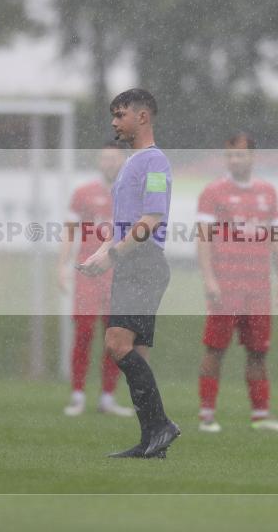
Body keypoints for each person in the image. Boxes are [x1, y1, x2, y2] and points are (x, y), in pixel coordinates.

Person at [79, 88, 180, 459]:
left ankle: (161, 426)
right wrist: (101, 252)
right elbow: (122, 225)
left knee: (116, 346)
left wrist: (116, 256)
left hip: (144, 263)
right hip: (135, 262)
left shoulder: (155, 163)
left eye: (120, 115)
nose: (113, 122)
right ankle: (152, 441)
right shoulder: (130, 165)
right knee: (132, 350)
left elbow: (152, 220)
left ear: (142, 117)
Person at [195, 133, 278, 433]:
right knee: (216, 349)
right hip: (226, 286)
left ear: (253, 157)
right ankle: (207, 415)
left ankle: (261, 416)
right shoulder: (213, 192)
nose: (235, 160)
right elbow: (203, 239)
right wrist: (209, 278)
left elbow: (277, 237)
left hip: (258, 287)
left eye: (241, 155)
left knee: (258, 351)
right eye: (230, 155)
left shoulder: (267, 192)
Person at [57, 142, 133, 417]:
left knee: (114, 339)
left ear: (123, 161)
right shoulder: (83, 193)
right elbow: (69, 231)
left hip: (119, 276)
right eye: (105, 158)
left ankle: (107, 398)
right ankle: (77, 395)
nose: (109, 163)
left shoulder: (132, 195)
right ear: (99, 161)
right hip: (89, 274)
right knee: (84, 333)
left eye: (114, 158)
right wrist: (62, 266)